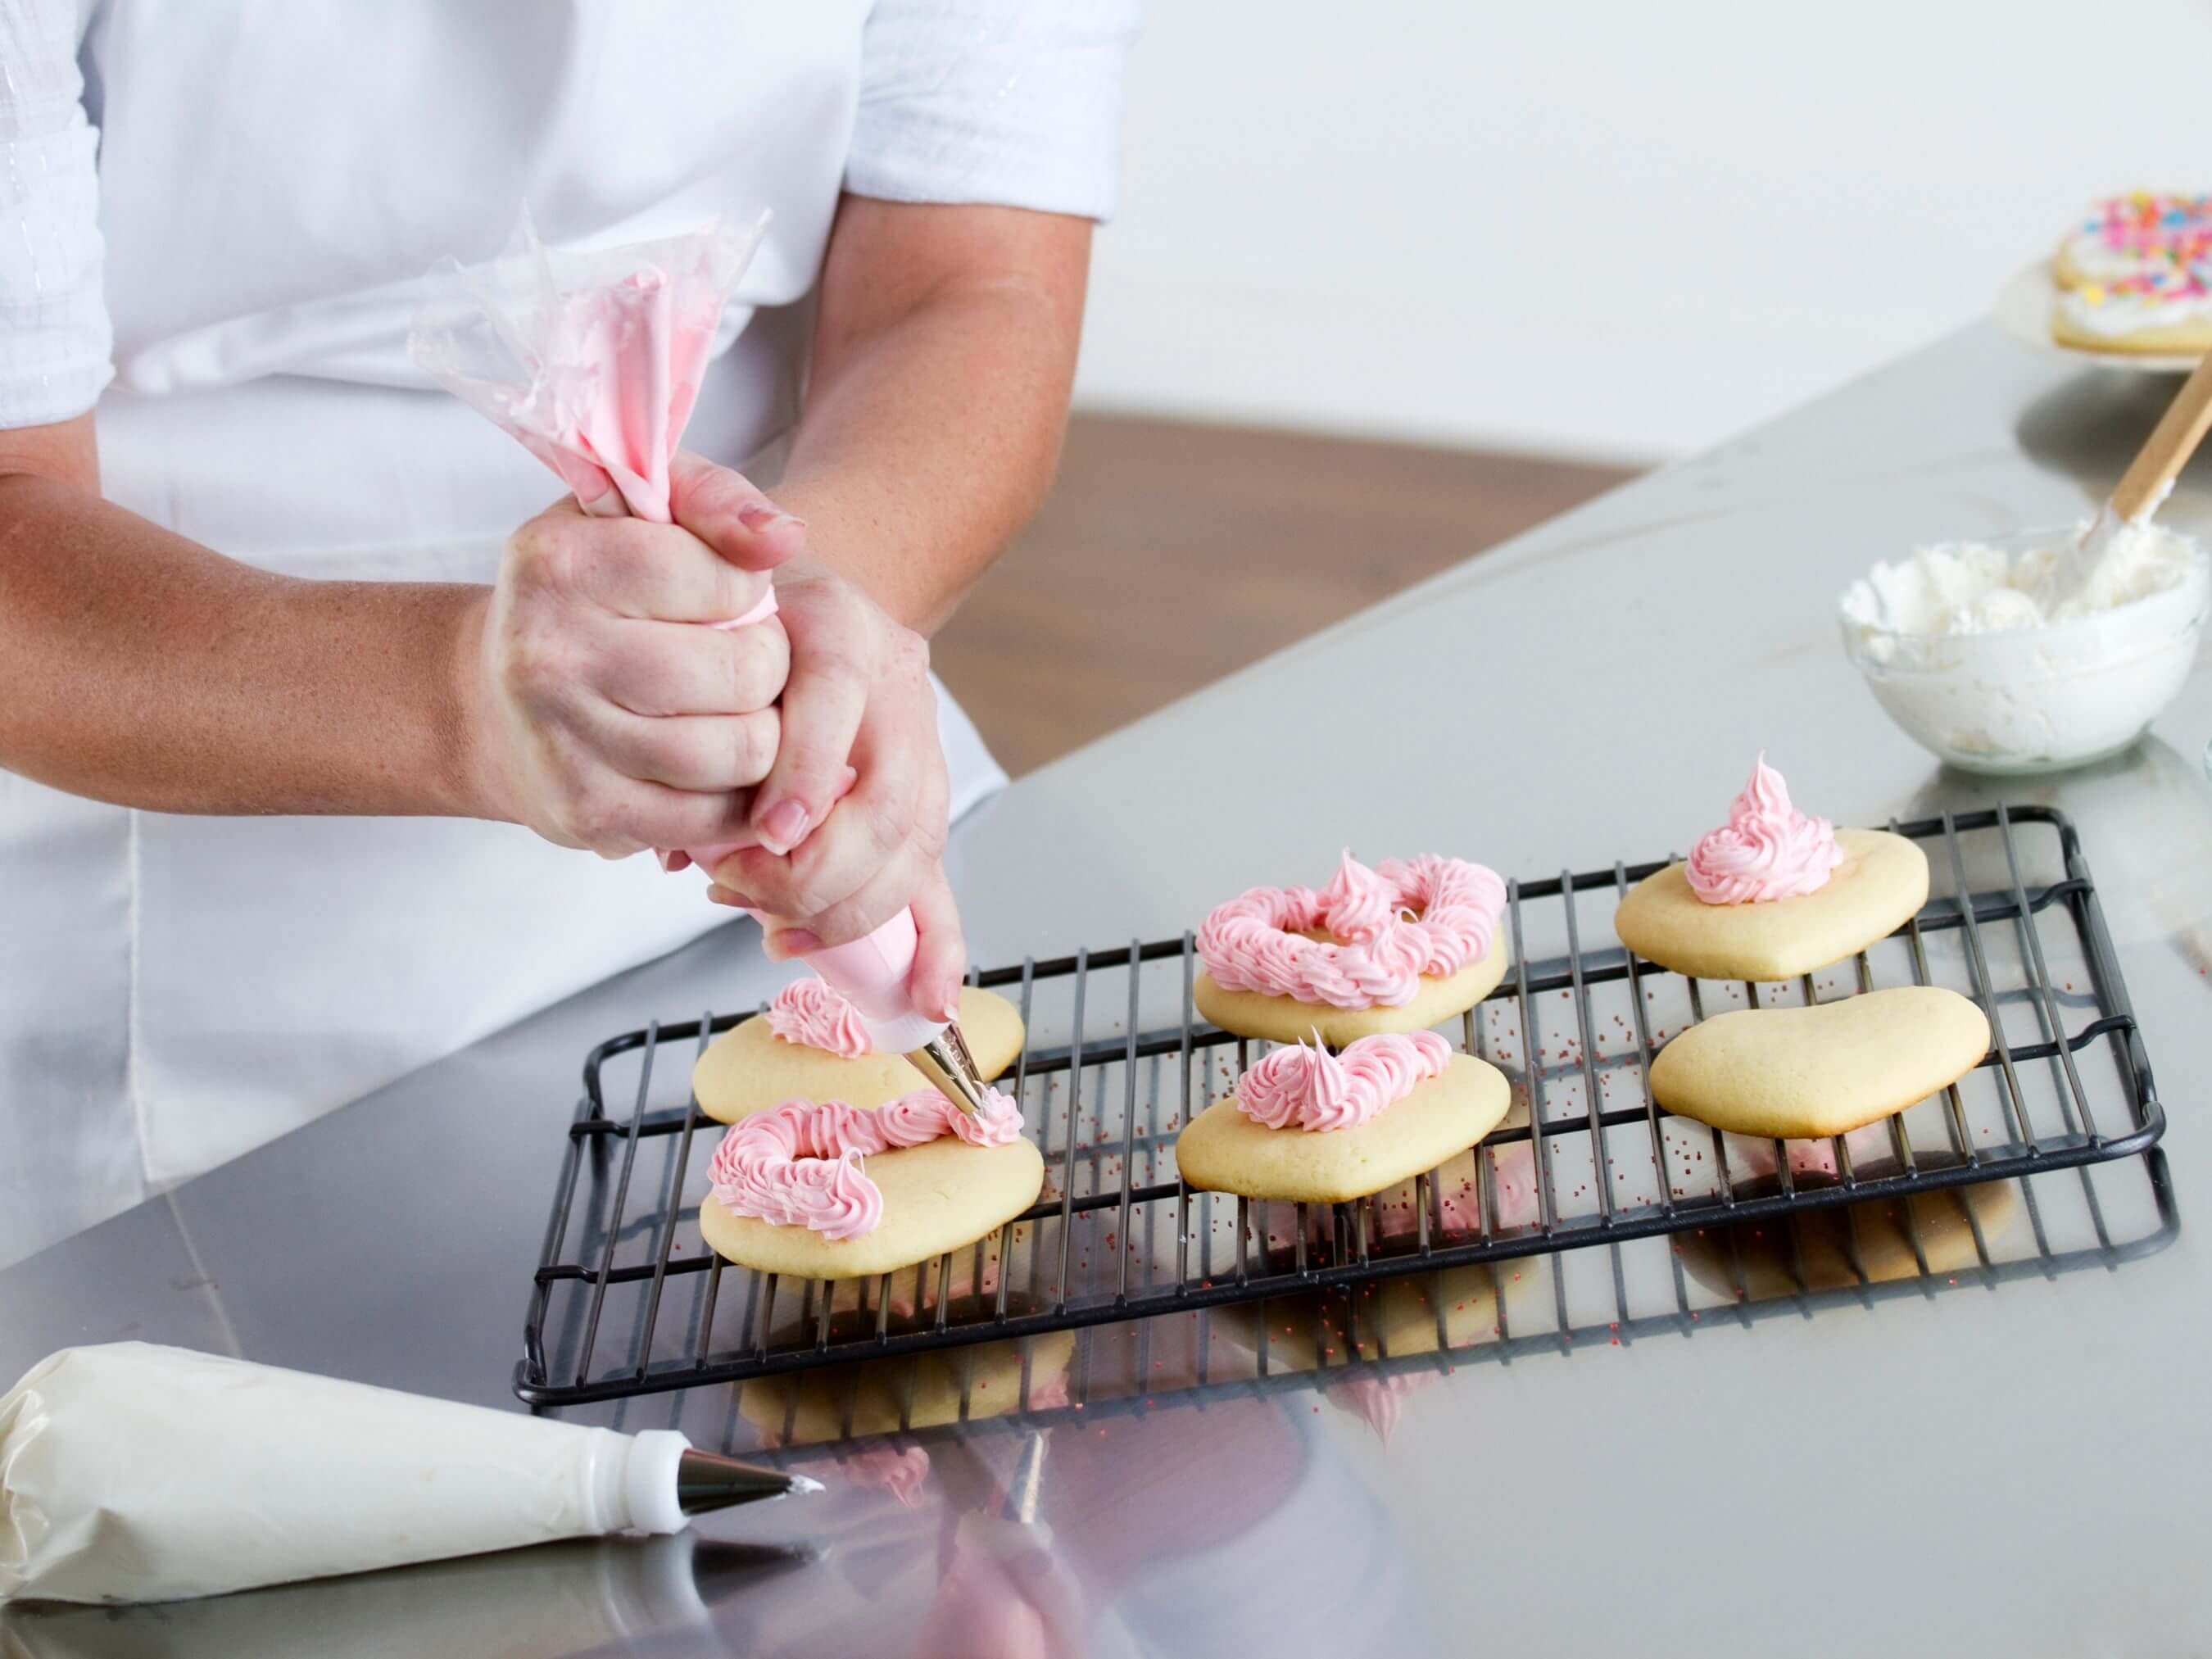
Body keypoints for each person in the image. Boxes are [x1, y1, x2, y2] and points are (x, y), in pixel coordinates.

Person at [0, 1, 1140, 1267]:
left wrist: (806, 625)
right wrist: (461, 702)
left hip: (808, 832)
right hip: (191, 882)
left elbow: (970, 284)